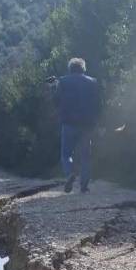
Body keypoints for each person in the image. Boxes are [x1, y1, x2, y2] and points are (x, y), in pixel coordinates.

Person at [50, 58, 100, 193]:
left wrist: (53, 88)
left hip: (69, 122)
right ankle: (84, 186)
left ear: (70, 68)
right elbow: (98, 103)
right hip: (87, 124)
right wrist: (97, 121)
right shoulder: (92, 82)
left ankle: (69, 173)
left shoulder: (63, 81)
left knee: (66, 154)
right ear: (83, 68)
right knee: (85, 156)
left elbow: (55, 100)